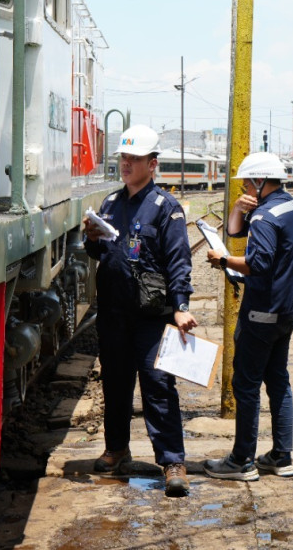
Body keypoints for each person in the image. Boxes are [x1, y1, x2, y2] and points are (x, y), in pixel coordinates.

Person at [83, 124, 199, 497]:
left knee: (158, 387)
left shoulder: (167, 208)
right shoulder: (111, 204)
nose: (126, 164)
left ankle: (172, 462)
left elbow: (179, 261)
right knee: (115, 384)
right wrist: (92, 237)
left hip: (152, 317)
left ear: (152, 164)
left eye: (134, 159)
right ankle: (117, 449)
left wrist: (181, 307)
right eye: (123, 157)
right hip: (114, 314)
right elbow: (101, 254)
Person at [203, 152, 293, 481]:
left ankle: (241, 460)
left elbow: (256, 263)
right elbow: (235, 231)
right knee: (278, 381)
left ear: (261, 181)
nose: (243, 186)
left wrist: (223, 260)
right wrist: (236, 210)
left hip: (261, 313)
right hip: (285, 310)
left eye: (247, 181)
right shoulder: (287, 206)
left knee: (245, 384)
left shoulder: (263, 219)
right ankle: (281, 456)